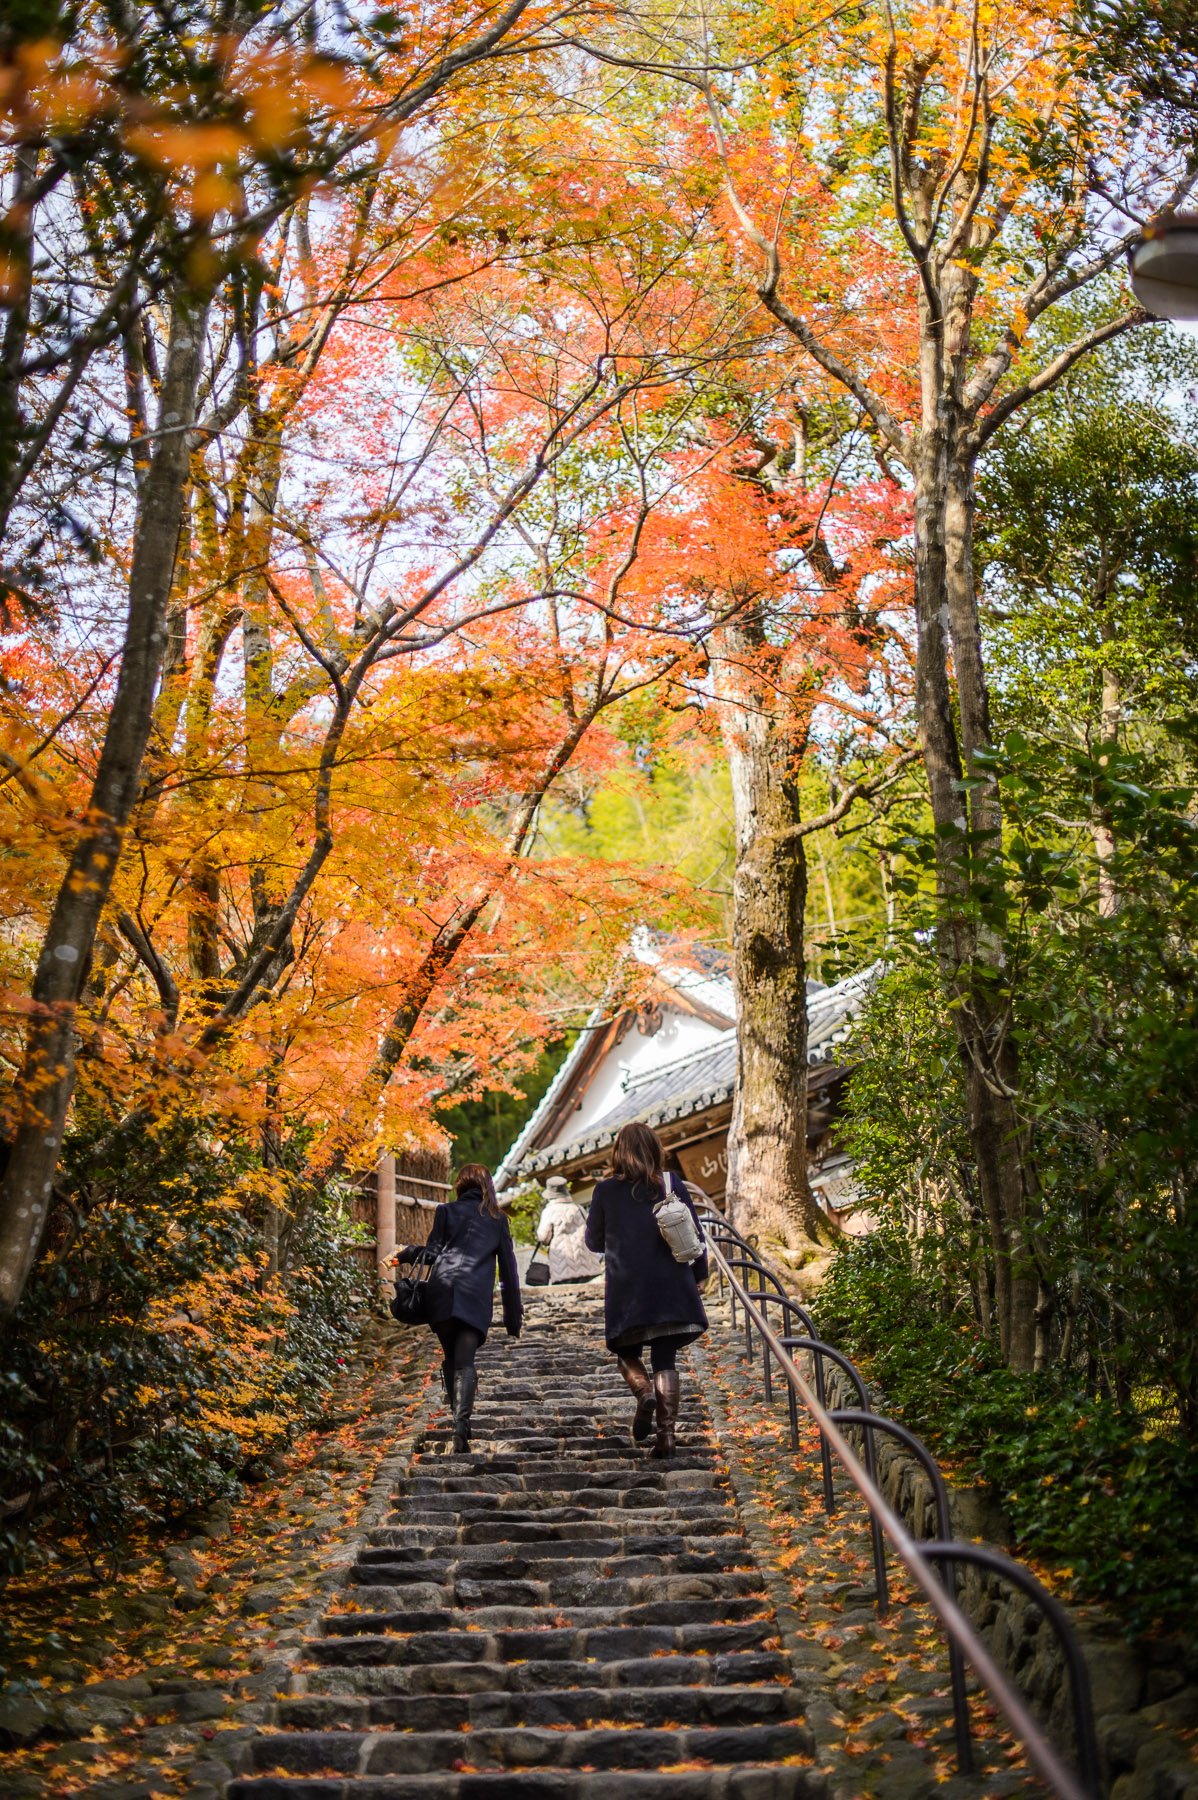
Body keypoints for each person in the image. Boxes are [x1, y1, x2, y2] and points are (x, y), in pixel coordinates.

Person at [585, 1121, 708, 1458]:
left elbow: (593, 1241)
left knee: (625, 1350)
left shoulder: (605, 1191)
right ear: (654, 1149)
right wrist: (700, 1273)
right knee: (665, 1356)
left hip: (628, 1287)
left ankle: (643, 1393)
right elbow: (693, 1234)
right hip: (671, 1282)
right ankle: (666, 1438)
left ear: (618, 1152)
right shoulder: (670, 1182)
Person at [409, 1164, 522, 1453]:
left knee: (451, 1359)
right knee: (466, 1361)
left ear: (460, 1184)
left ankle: (458, 1421)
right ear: (488, 1186)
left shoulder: (445, 1211)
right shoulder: (497, 1220)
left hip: (442, 1292)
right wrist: (513, 1317)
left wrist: (406, 1254)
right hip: (473, 1297)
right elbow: (508, 1272)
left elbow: (432, 1253)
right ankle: (461, 1427)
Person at [535, 1174, 604, 1283]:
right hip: (585, 1261)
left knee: (567, 1296)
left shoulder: (549, 1211)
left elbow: (543, 1238)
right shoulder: (578, 1208)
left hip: (563, 1263)